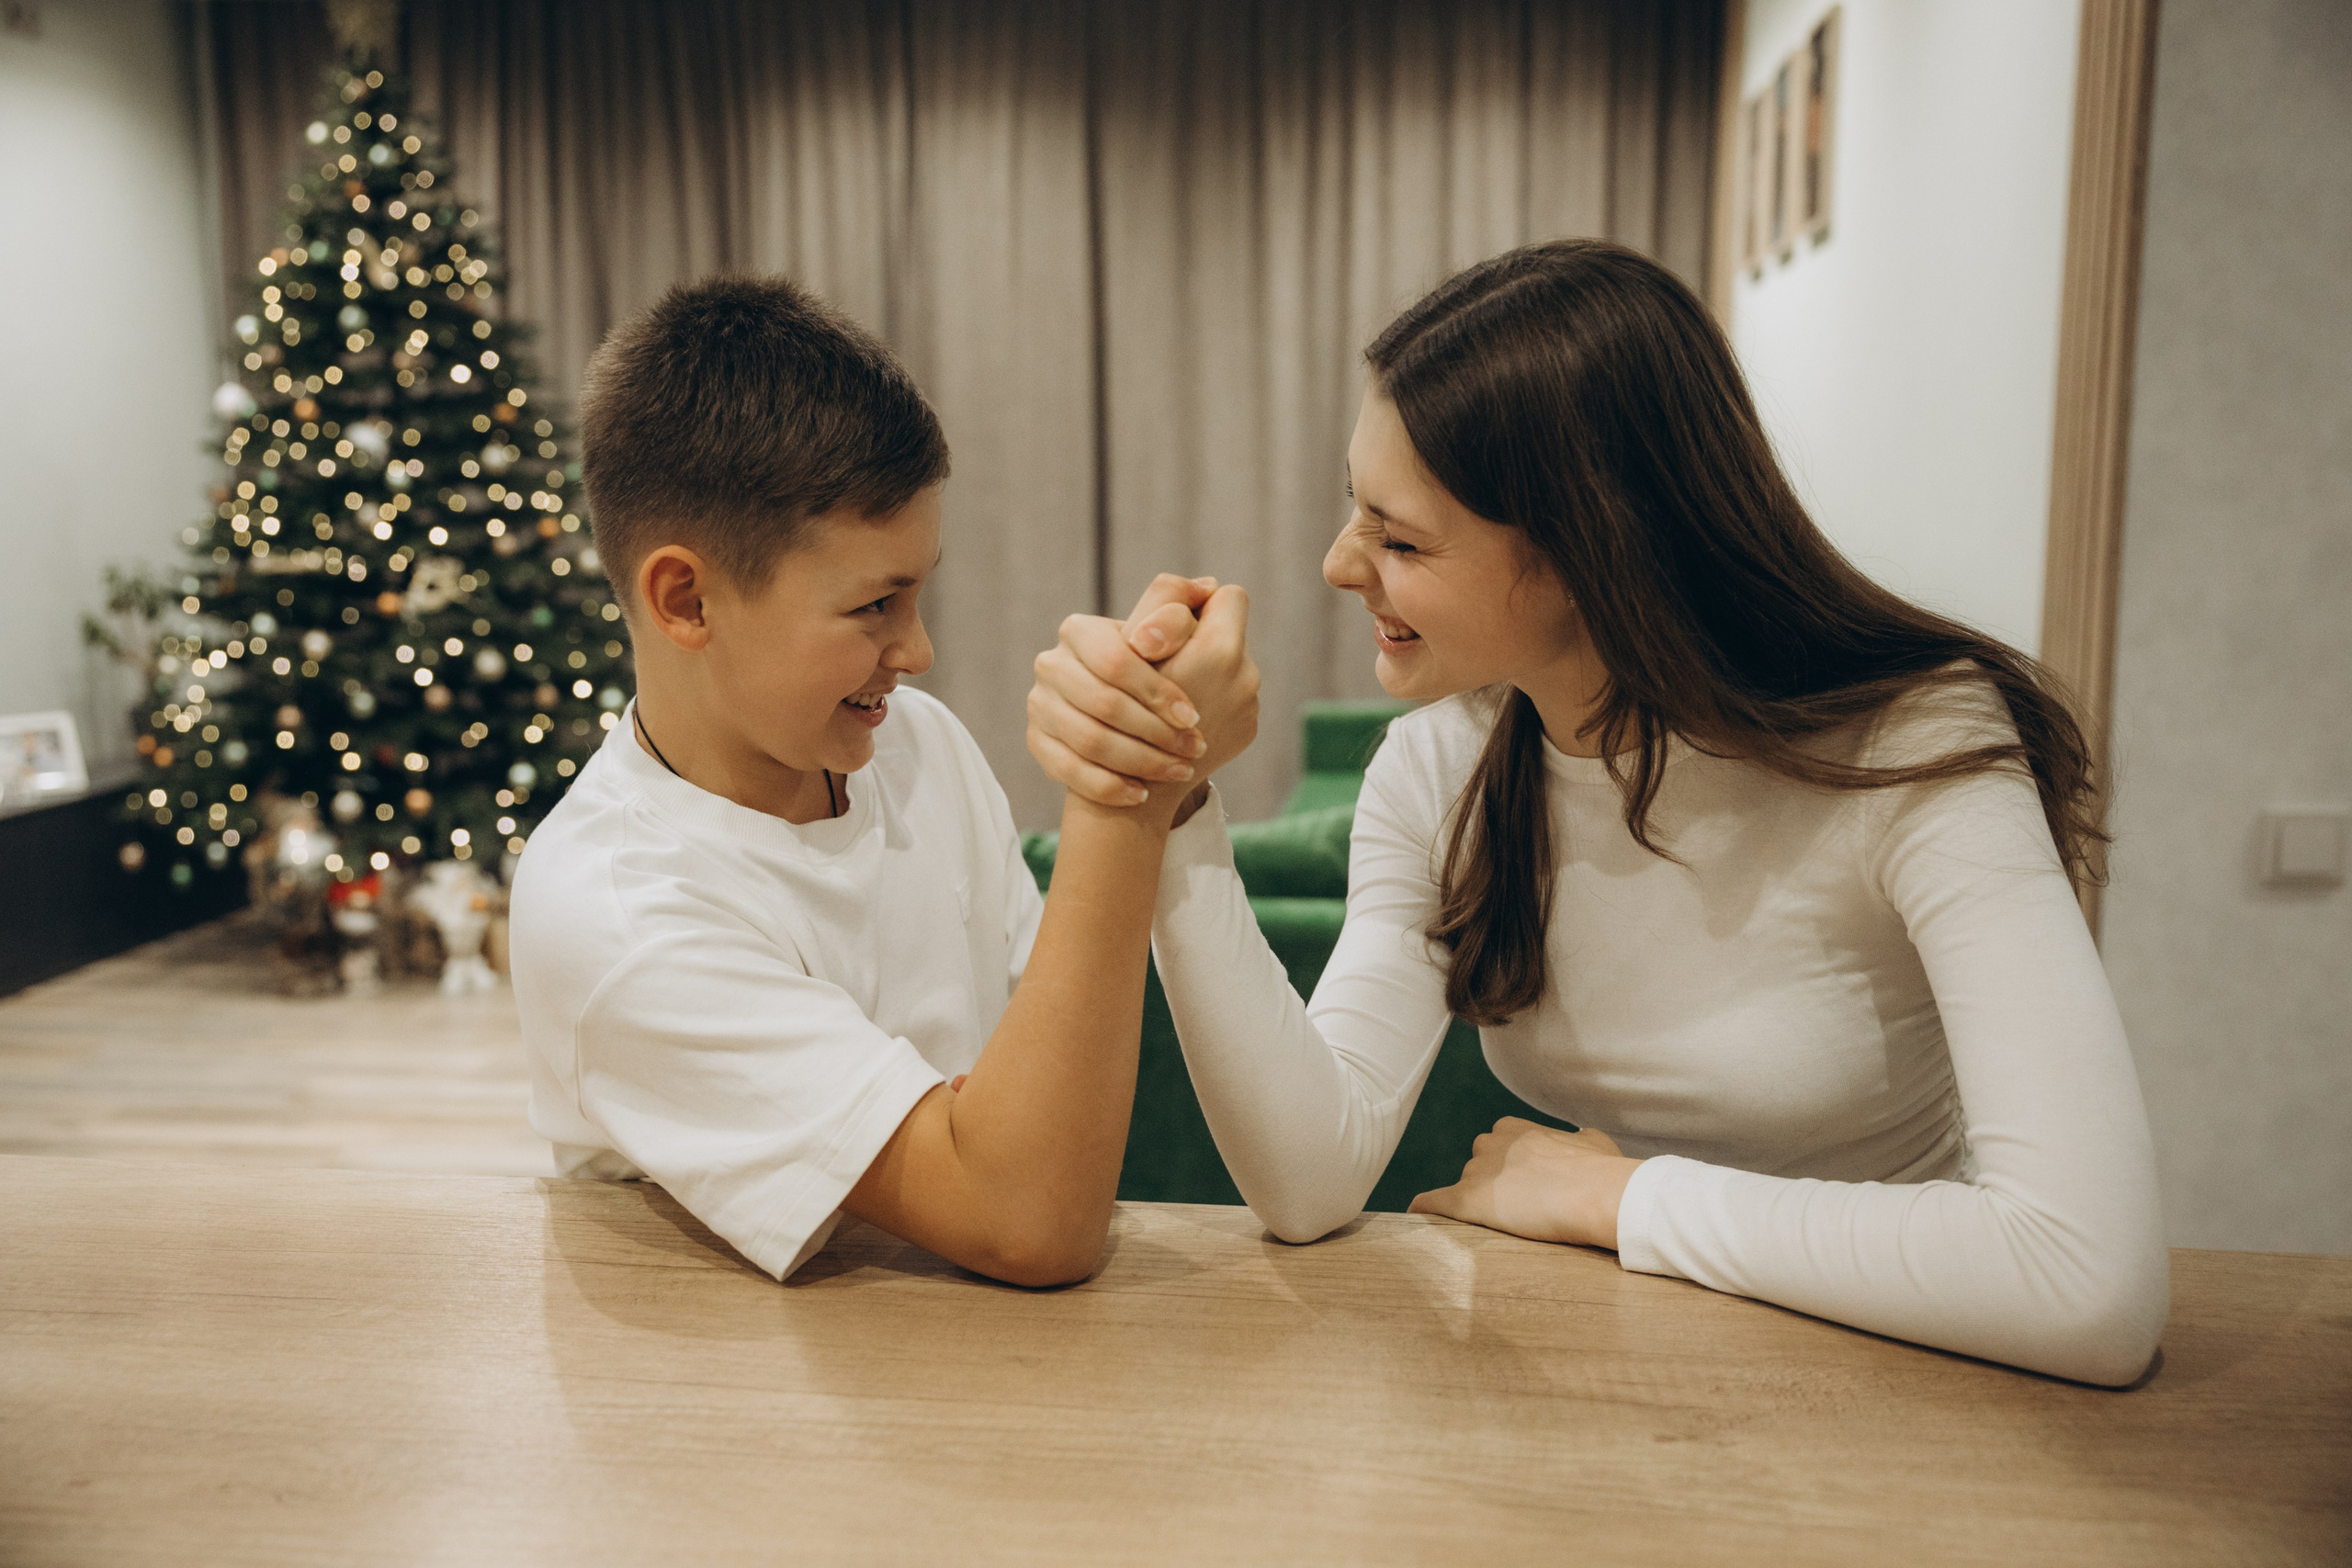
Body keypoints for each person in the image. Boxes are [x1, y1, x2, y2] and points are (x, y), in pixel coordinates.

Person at [1026, 240, 2169, 1384]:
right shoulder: (1442, 771)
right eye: (1353, 510)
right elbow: (1308, 1177)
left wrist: (1620, 1198)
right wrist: (1171, 800)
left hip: (1911, 1377)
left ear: (1590, 549)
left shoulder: (1912, 748)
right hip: (1619, 1373)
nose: (1337, 565)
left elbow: (2084, 1283)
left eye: (1401, 538)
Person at [509, 276, 1256, 1288]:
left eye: (919, 592)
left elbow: (1051, 1079)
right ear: (685, 599)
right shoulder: (615, 916)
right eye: (874, 605)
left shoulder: (919, 745)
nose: (918, 651)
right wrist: (1130, 781)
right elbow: (1027, 1222)